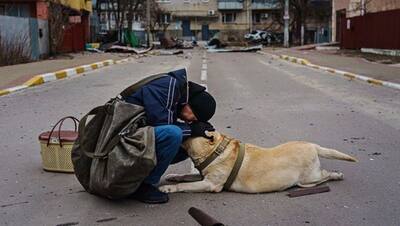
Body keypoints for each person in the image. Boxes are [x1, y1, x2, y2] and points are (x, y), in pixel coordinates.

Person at [124, 68, 216, 204]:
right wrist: (192, 129)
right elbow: (161, 125)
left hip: (133, 136)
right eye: (193, 117)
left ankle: (139, 176)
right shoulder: (169, 86)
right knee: (174, 134)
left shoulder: (176, 93)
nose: (189, 121)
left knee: (187, 143)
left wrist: (193, 131)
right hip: (122, 138)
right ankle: (143, 186)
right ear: (190, 105)